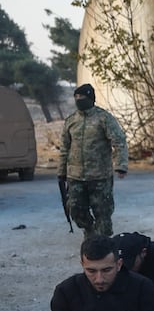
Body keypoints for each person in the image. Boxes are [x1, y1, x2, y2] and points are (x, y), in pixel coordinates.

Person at [58, 83, 128, 239]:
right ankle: (90, 233)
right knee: (76, 210)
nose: (78, 100)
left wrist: (121, 166)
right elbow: (64, 148)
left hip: (100, 176)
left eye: (82, 97)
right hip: (75, 177)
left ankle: (103, 242)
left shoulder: (104, 118)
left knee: (103, 212)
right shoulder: (71, 121)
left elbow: (119, 141)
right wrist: (61, 172)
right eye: (76, 97)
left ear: (90, 98)